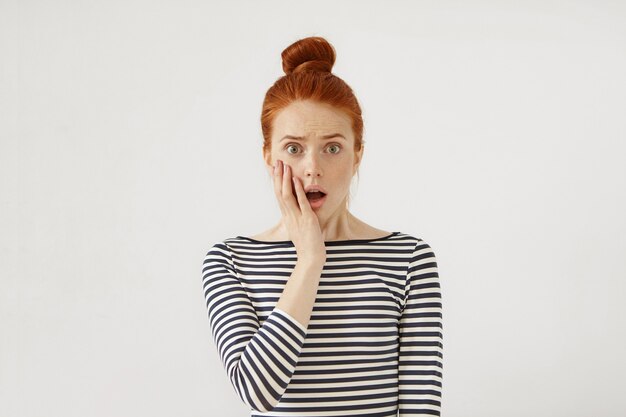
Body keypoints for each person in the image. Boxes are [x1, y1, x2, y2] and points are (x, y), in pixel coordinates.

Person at [201, 36, 443, 416]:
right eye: (293, 149)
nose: (312, 167)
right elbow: (255, 391)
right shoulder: (231, 260)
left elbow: (421, 408)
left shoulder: (408, 259)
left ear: (357, 154)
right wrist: (310, 260)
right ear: (268, 156)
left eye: (332, 148)